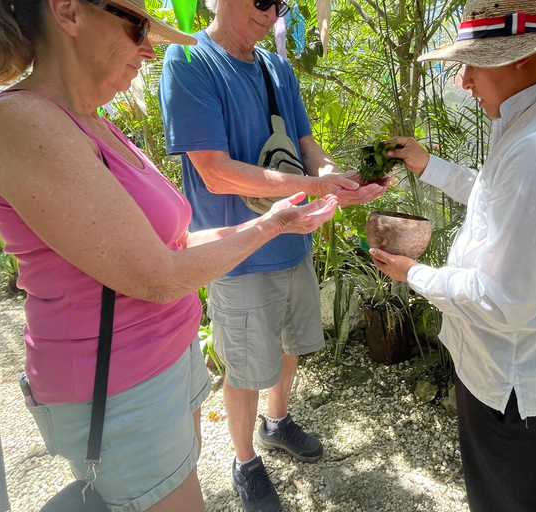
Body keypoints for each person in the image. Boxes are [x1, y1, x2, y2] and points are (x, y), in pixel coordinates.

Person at [0, 0, 337, 510]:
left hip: (166, 358)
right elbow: (158, 276)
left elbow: (173, 246)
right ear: (68, 11)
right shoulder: (20, 119)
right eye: (138, 25)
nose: (147, 49)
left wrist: (273, 224)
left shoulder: (89, 121)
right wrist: (270, 224)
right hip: (122, 385)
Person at [370, 1, 536, 511]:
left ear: (518, 58)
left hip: (515, 387)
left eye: (471, 64)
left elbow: (504, 302)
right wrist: (428, 165)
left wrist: (413, 272)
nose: (464, 80)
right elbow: (501, 200)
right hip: (516, 378)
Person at [158, 0, 389, 510]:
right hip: (235, 249)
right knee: (243, 366)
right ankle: (244, 462)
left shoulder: (276, 66)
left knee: (292, 343)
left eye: (280, 3)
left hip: (293, 237)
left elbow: (307, 144)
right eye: (260, 0)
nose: (270, 12)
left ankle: (277, 423)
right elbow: (216, 171)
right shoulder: (189, 60)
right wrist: (314, 183)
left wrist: (341, 180)